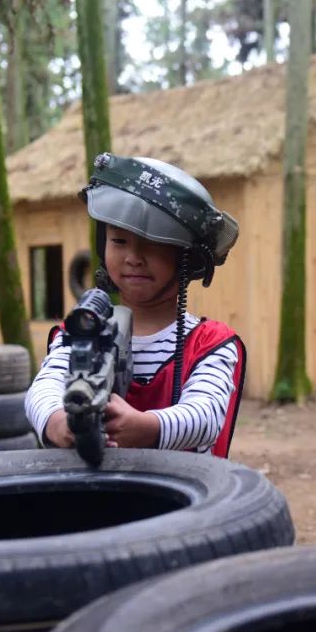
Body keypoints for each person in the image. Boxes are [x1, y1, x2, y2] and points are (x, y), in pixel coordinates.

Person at [25, 153, 245, 457]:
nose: (133, 257)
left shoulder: (210, 344)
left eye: (153, 243)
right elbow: (44, 388)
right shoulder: (81, 329)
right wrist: (59, 422)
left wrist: (145, 426)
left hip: (187, 499)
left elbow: (206, 416)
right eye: (119, 241)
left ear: (187, 258)